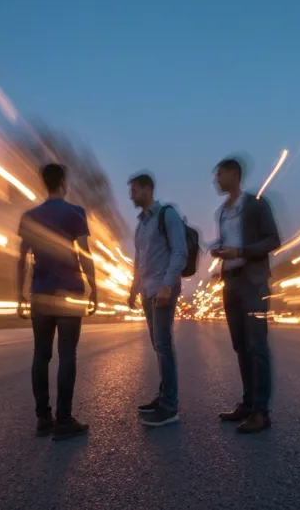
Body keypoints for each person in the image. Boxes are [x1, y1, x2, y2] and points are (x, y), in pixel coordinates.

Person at [17, 163, 97, 441]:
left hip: (40, 292)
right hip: (70, 293)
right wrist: (93, 287)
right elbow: (84, 253)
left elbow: (23, 259)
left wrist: (20, 295)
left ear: (44, 182)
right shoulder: (75, 213)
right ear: (63, 182)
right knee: (67, 354)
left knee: (41, 354)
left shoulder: (29, 216)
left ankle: (43, 418)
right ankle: (63, 420)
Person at [210, 158, 281, 434]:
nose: (216, 179)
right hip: (231, 282)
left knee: (257, 345)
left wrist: (241, 252)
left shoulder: (256, 204)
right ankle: (248, 403)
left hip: (253, 283)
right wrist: (220, 250)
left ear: (235, 175)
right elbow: (231, 244)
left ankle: (262, 412)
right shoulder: (221, 212)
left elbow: (273, 239)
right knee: (240, 345)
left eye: (220, 174)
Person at [128, 173, 188, 427]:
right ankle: (163, 396)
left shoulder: (167, 215)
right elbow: (139, 261)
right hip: (147, 291)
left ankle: (169, 406)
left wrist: (167, 284)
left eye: (134, 190)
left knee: (163, 346)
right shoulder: (141, 225)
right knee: (158, 346)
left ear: (147, 189)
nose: (131, 195)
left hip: (163, 290)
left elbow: (180, 250)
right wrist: (133, 289)